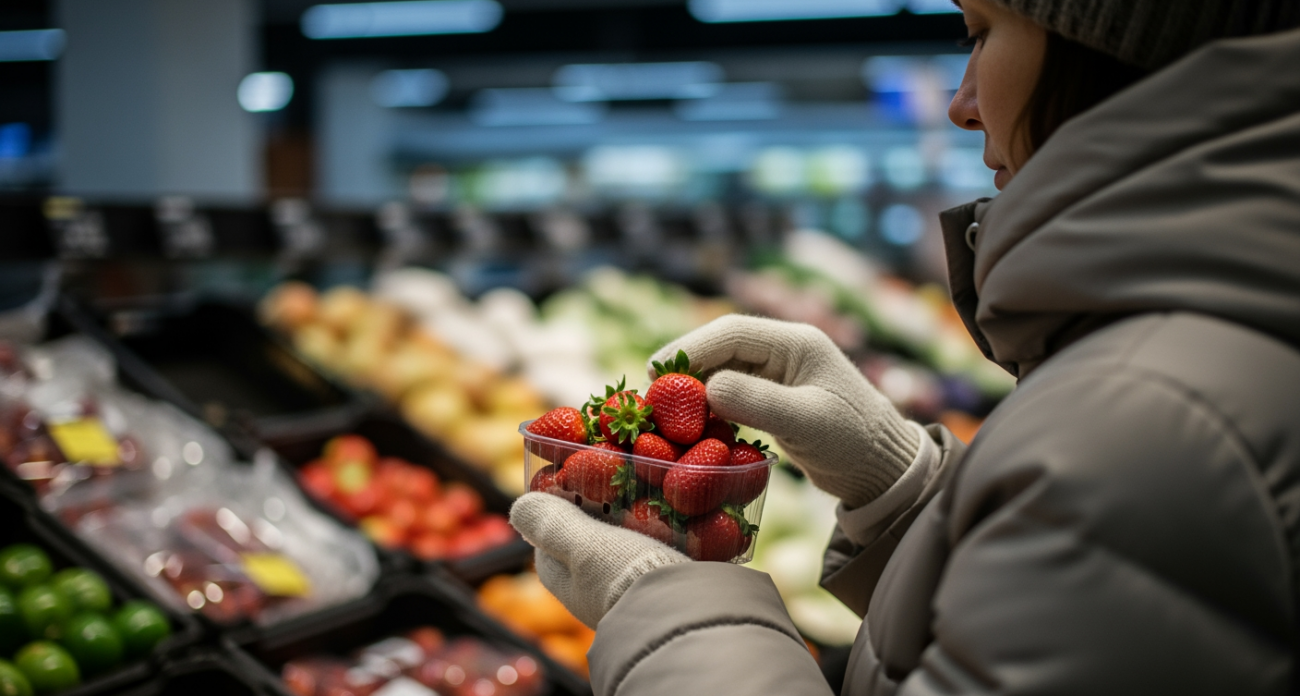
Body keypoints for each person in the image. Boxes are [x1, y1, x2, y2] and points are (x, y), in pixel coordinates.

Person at [510, 0, 1300, 693]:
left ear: (1115, 54)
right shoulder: (1197, 359)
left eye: (980, 31)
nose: (962, 102)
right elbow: (1061, 616)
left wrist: (670, 612)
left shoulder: (1147, 418)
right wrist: (906, 492)